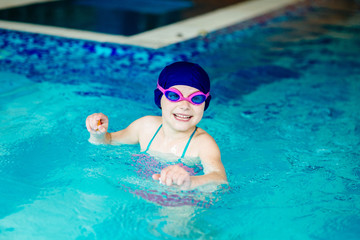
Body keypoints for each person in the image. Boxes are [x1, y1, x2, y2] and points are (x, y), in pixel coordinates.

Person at [85, 61, 227, 190]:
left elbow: (219, 178)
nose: (184, 106)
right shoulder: (145, 126)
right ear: (160, 98)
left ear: (205, 104)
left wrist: (190, 182)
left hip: (179, 199)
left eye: (196, 98)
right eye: (174, 96)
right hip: (137, 191)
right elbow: (108, 141)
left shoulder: (203, 143)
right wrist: (98, 134)